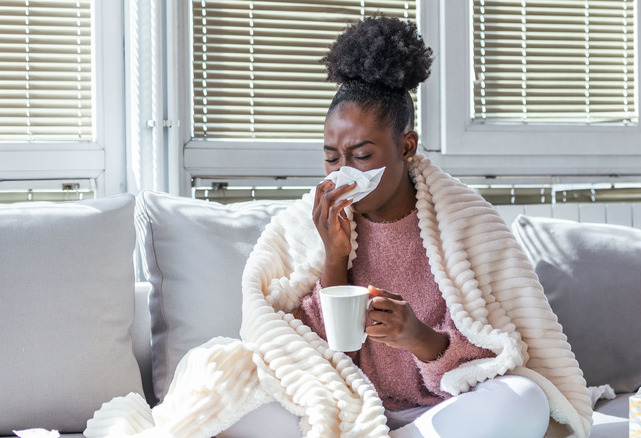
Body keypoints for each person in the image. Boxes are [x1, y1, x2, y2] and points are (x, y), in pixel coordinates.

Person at [84, 16, 592, 438]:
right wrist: (332, 258)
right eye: (332, 157)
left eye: (362, 154)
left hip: (438, 410)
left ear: (407, 147)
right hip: (341, 402)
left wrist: (420, 338)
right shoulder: (312, 221)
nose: (343, 171)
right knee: (221, 397)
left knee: (521, 400)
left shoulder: (466, 222)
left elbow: (503, 351)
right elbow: (309, 353)